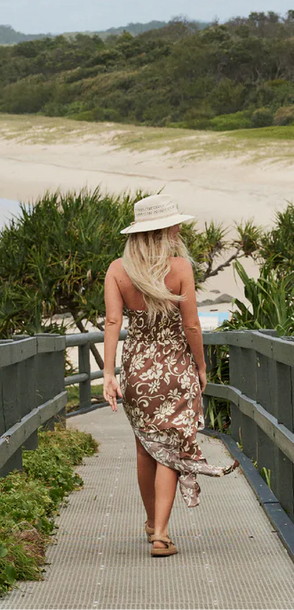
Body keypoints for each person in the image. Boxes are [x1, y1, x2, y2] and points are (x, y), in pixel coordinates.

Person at [103, 194, 239, 557]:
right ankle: (161, 533)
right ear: (165, 230)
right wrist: (201, 365)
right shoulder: (180, 268)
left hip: (138, 372)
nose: (180, 227)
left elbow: (114, 322)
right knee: (171, 449)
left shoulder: (118, 269)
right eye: (175, 223)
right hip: (176, 368)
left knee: (146, 449)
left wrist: (108, 374)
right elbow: (192, 323)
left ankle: (152, 525)